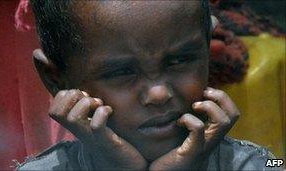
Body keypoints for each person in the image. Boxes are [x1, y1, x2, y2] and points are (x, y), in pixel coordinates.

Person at [17, 0, 277, 170]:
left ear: (207, 47)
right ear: (55, 79)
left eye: (180, 60)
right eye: (121, 72)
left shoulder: (258, 164)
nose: (159, 94)